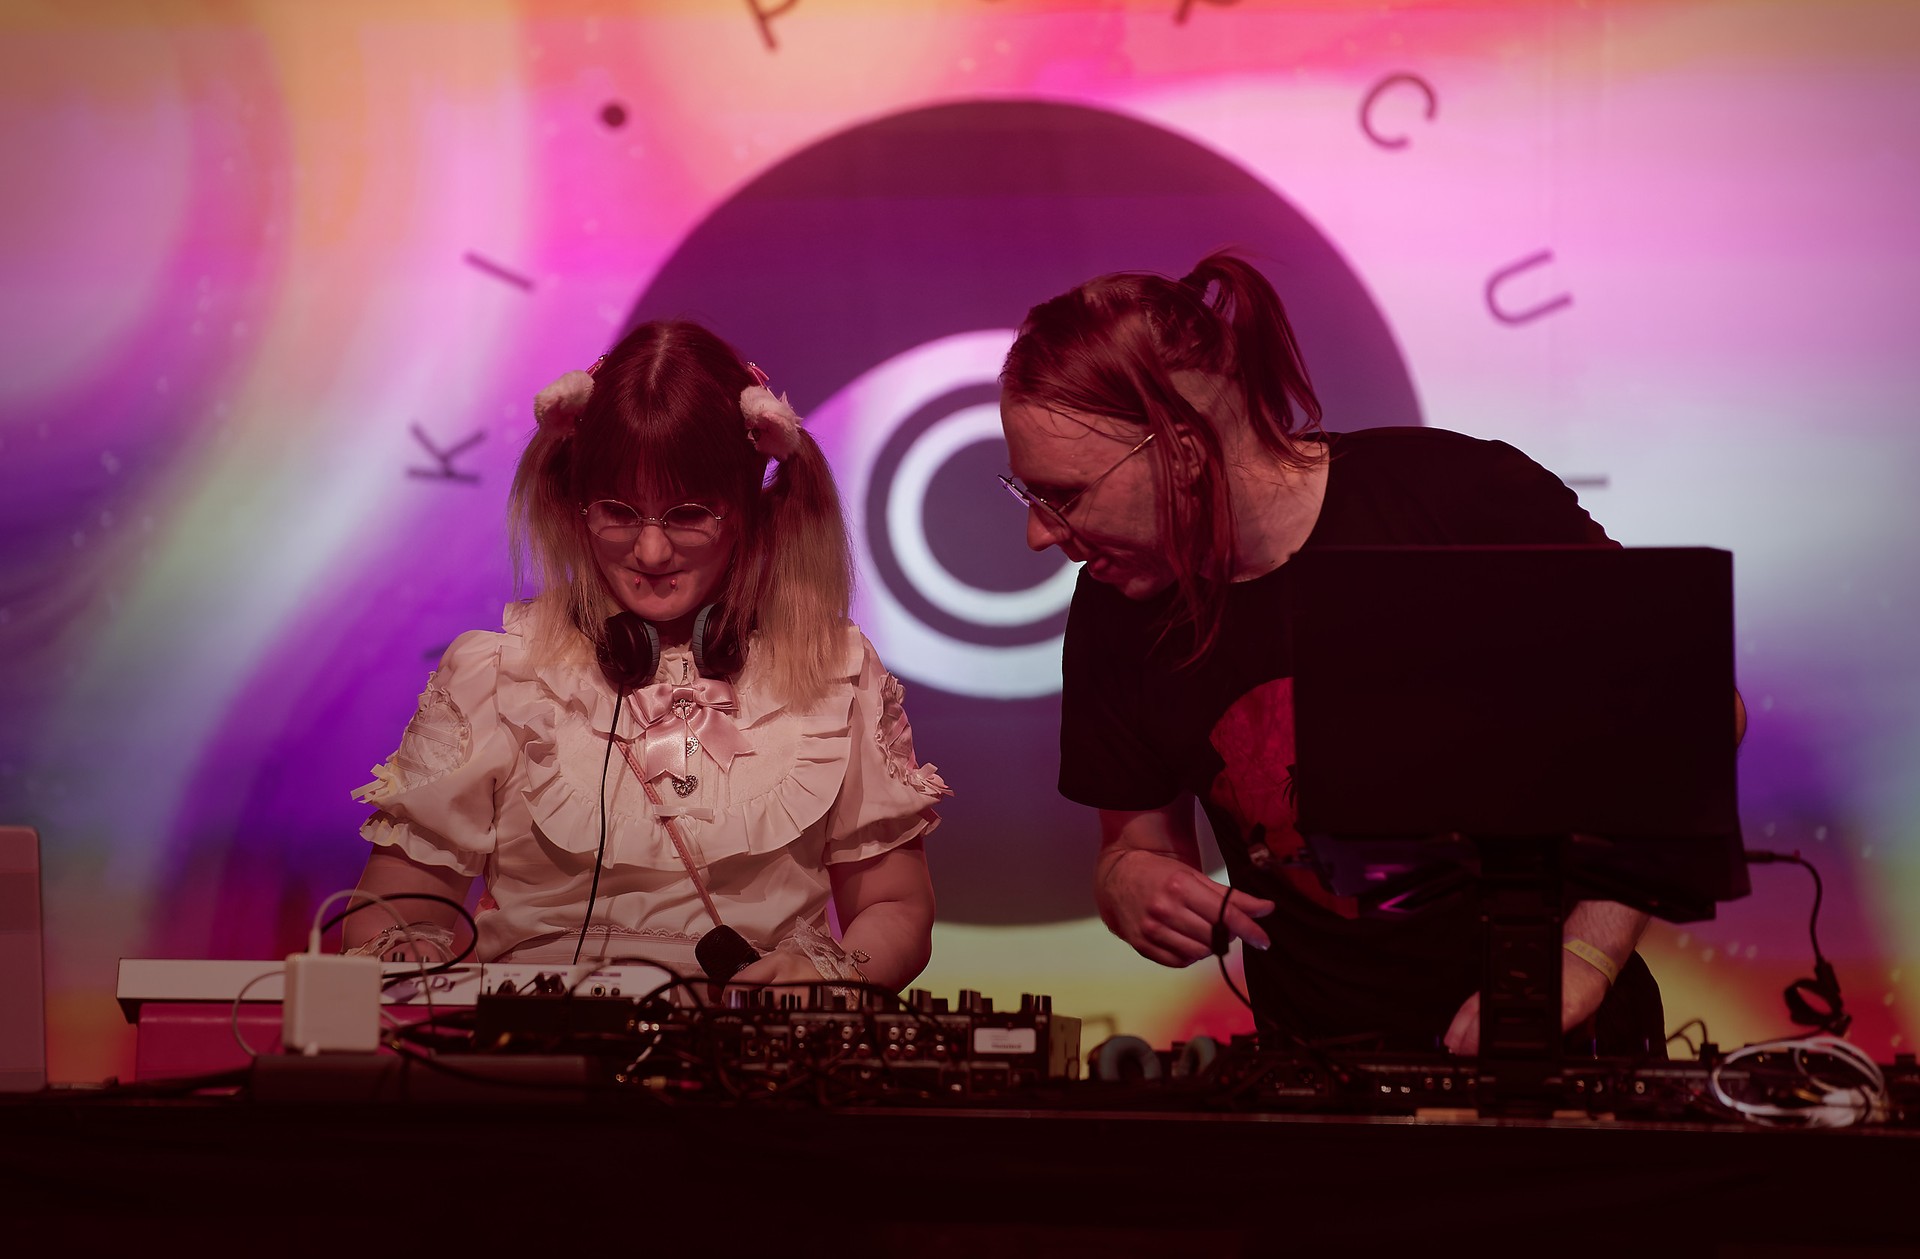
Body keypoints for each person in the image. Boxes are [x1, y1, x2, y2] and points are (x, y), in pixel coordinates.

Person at [999, 252, 1741, 1055]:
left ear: (1182, 449)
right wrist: (1126, 879)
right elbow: (1135, 842)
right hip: (1315, 1071)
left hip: (1563, 1057)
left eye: (1063, 495)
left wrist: (1585, 959)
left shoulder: (1459, 501)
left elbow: (1698, 712)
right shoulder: (1115, 607)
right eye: (1029, 495)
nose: (1038, 532)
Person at [344, 320, 948, 995]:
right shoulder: (496, 673)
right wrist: (403, 960)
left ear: (747, 508)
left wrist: (825, 978)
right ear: (576, 506)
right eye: (619, 512)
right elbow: (393, 912)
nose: (652, 552)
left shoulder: (834, 670)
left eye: (688, 514)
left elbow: (894, 907)